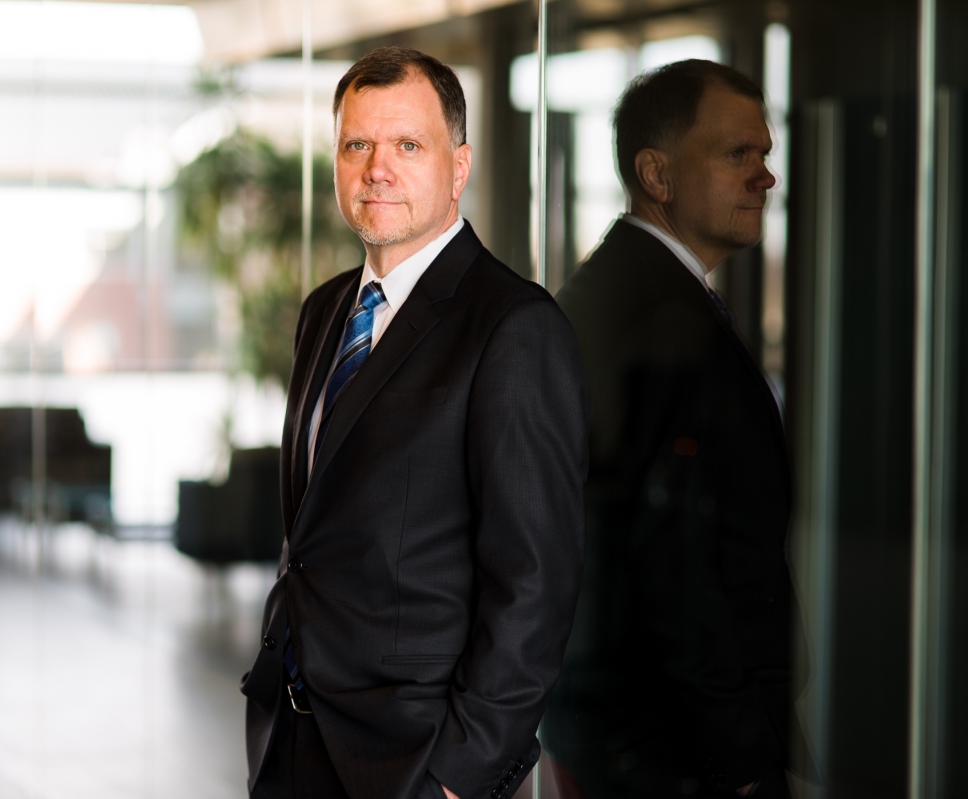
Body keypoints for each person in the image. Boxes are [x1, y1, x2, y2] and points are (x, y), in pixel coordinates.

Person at [239, 46, 589, 799]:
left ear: (458, 167)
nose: (377, 169)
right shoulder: (326, 311)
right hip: (292, 741)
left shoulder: (513, 327)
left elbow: (534, 583)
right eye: (357, 144)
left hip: (414, 762)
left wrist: (457, 778)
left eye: (407, 145)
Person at [545, 60, 802, 799]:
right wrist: (743, 759)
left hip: (626, 731)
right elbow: (671, 568)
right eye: (736, 155)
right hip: (672, 750)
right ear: (656, 175)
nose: (765, 177)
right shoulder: (658, 320)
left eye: (765, 154)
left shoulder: (621, 291)